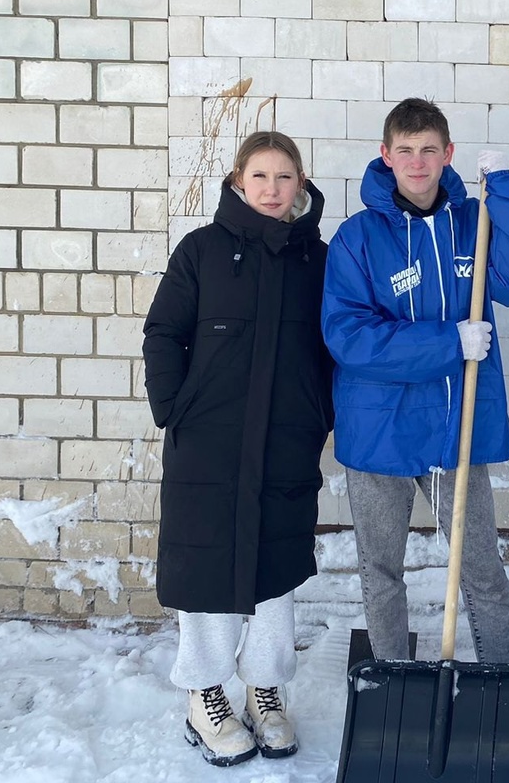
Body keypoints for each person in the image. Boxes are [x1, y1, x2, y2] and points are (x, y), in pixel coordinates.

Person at [321, 97, 509, 665]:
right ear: (386, 155)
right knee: (382, 571)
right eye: (405, 150)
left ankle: (500, 685)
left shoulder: (475, 222)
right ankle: (392, 686)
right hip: (381, 430)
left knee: (482, 569)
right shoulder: (357, 238)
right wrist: (449, 343)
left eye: (429, 150)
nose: (417, 162)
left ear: (448, 154)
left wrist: (508, 194)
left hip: (456, 423)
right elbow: (349, 337)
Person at [142, 131, 333, 767]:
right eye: (260, 176)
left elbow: (331, 347)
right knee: (206, 566)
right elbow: (163, 332)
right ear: (237, 182)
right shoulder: (201, 250)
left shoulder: (318, 260)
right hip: (208, 442)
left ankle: (265, 690)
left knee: (276, 566)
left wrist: (319, 414)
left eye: (284, 177)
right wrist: (174, 408)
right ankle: (206, 695)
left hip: (286, 440)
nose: (272, 189)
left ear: (300, 184)